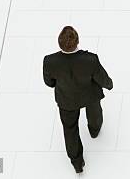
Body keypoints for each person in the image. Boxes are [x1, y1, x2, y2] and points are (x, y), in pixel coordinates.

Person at [43, 26, 114, 174]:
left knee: (70, 130)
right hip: (89, 94)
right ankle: (94, 130)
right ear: (78, 41)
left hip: (66, 99)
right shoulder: (90, 59)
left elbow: (49, 83)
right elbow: (101, 77)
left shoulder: (50, 61)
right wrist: (109, 84)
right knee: (95, 112)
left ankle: (77, 163)